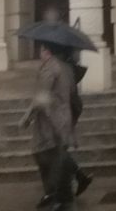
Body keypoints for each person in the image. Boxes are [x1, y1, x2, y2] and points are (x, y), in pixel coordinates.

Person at [18, 43, 76, 210]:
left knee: (44, 157)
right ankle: (63, 194)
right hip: (63, 117)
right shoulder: (66, 67)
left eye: (42, 50)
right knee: (57, 156)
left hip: (50, 120)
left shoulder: (50, 68)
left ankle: (55, 195)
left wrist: (26, 118)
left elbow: (41, 97)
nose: (40, 53)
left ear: (47, 51)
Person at [49, 44, 95, 199]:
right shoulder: (63, 66)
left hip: (67, 109)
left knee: (57, 148)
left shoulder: (61, 68)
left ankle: (69, 184)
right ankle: (76, 178)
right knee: (58, 148)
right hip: (69, 107)